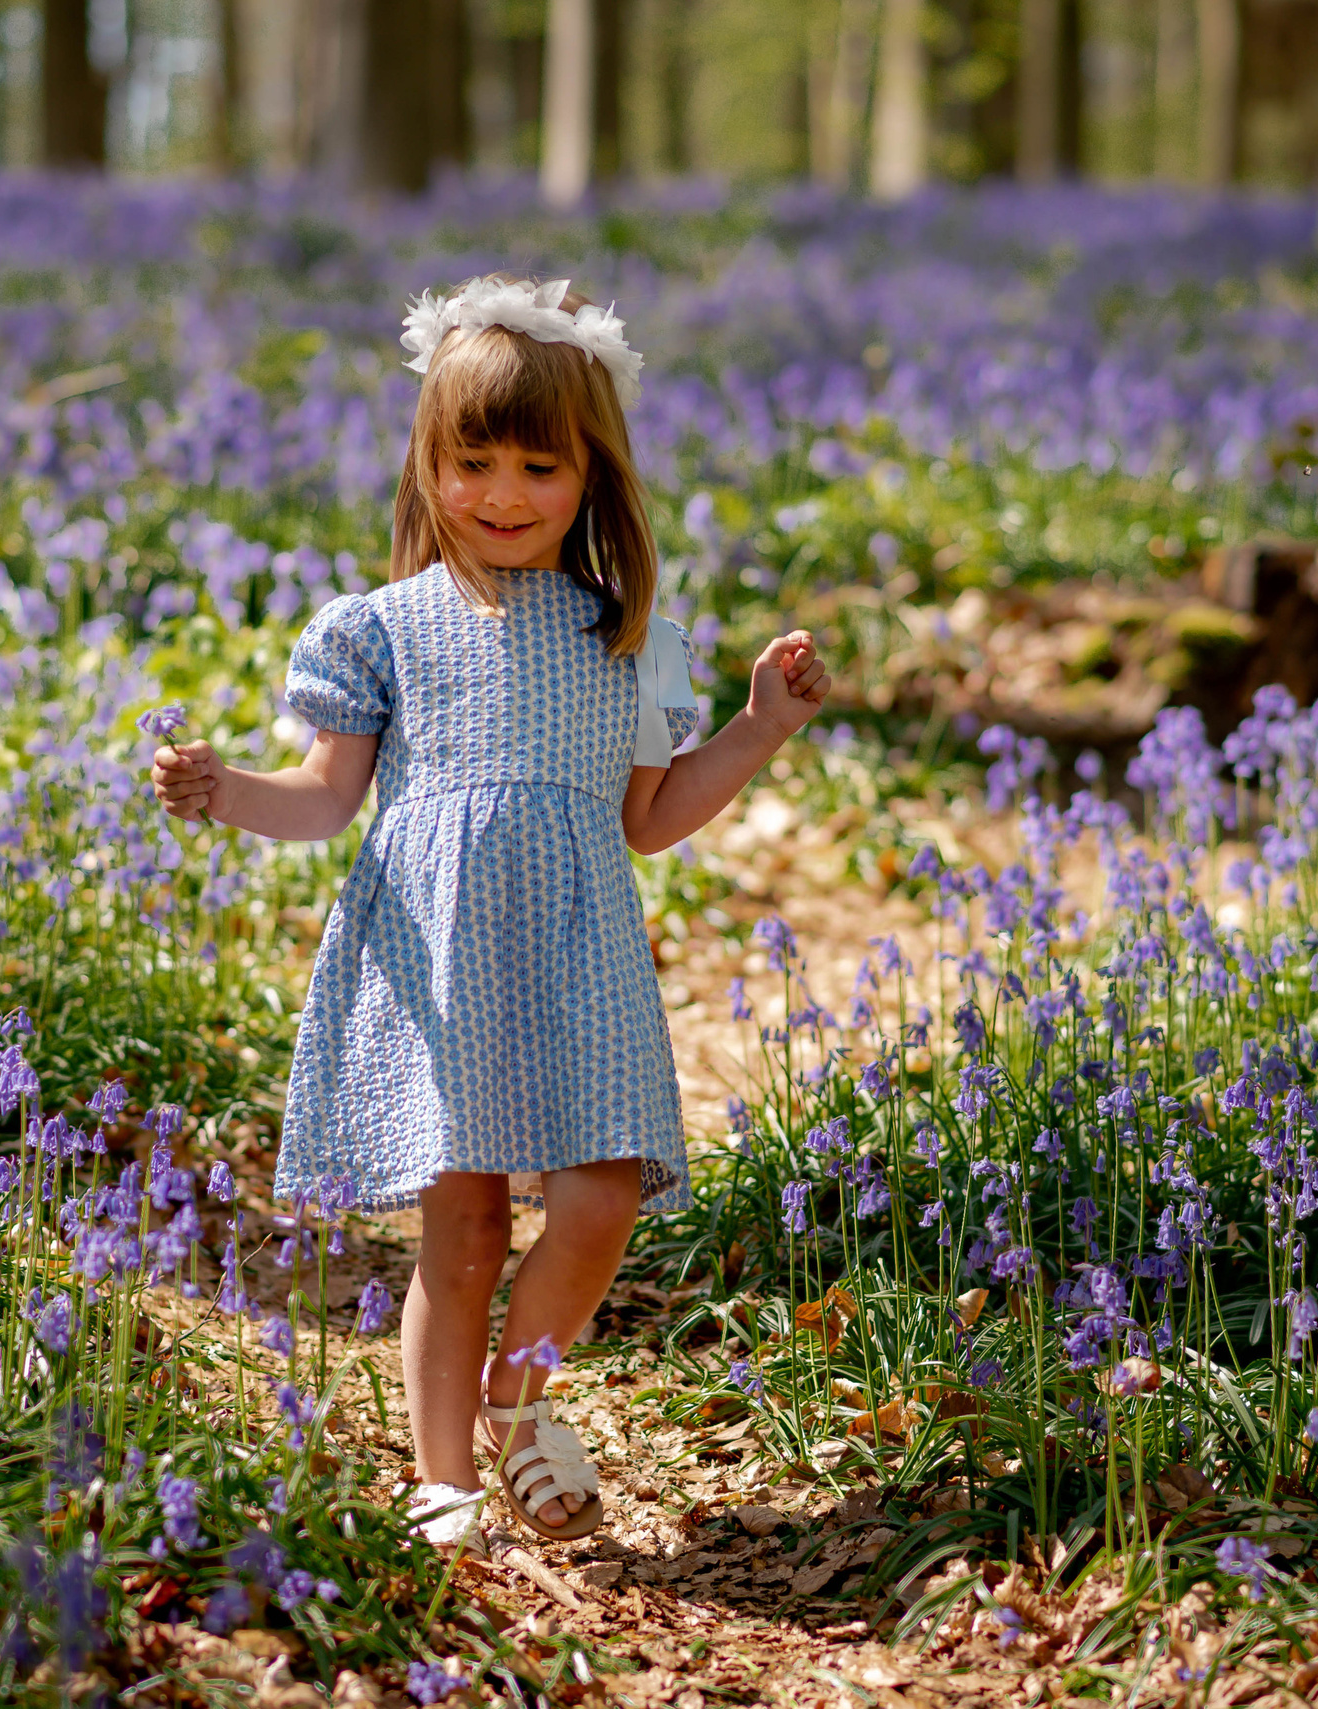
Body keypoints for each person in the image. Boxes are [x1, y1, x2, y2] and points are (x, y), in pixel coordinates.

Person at [151, 275, 829, 1554]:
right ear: (428, 463)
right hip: (434, 951)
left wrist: (761, 724)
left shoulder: (625, 637)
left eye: (539, 465)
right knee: (458, 1227)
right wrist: (221, 788)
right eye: (474, 461)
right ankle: (443, 1473)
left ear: (592, 479)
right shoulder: (380, 632)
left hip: (579, 951)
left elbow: (649, 816)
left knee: (603, 1193)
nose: (505, 494)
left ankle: (519, 1392)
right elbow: (320, 799)